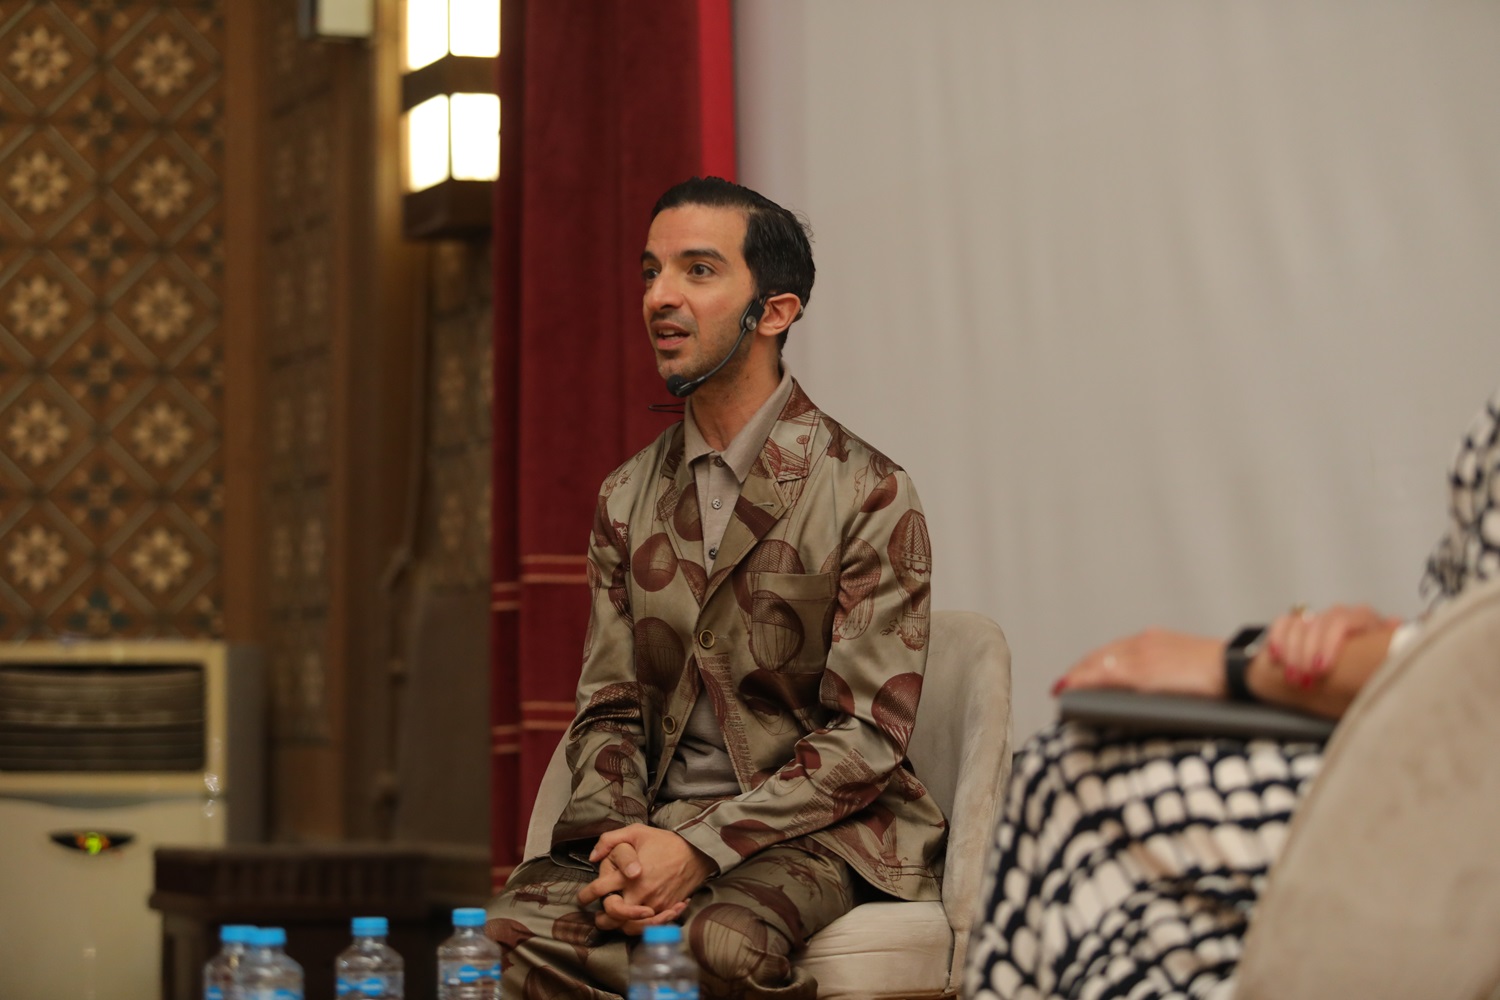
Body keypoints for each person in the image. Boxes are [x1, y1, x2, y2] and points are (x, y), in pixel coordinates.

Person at [486, 177, 946, 1000]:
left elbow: (867, 736)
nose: (659, 296)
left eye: (697, 271)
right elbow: (609, 706)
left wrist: (701, 849)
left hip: (822, 832)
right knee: (500, 937)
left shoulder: (867, 490)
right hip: (654, 823)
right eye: (650, 271)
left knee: (716, 944)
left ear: (774, 311)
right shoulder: (625, 496)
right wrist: (626, 847)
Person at [966, 383, 1500, 1000]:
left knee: (1073, 786)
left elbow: (1484, 669)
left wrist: (1233, 666)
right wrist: (1397, 637)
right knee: (1057, 775)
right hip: (1445, 762)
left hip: (1465, 804)